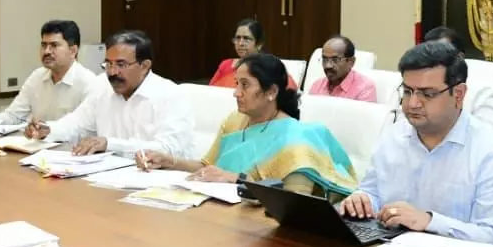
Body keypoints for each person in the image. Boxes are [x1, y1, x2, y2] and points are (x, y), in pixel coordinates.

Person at [340, 41, 493, 247]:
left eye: (427, 94)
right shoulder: (393, 135)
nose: (413, 104)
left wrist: (430, 222)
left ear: (458, 95)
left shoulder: (492, 152)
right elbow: (372, 192)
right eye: (408, 91)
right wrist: (361, 200)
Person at [138, 53, 357, 200]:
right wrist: (169, 161)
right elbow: (208, 167)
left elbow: (293, 203)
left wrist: (237, 179)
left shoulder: (296, 140)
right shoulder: (235, 120)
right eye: (237, 84)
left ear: (271, 92)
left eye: (245, 85)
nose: (236, 93)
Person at [25, 29, 194, 158]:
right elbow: (77, 124)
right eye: (108, 64)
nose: (112, 72)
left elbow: (169, 149)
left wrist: (109, 144)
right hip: (108, 175)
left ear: (144, 66)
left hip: (158, 179)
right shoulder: (102, 85)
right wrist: (48, 130)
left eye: (121, 65)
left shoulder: (170, 95)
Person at [0, 20, 97, 124]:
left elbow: (84, 128)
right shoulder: (37, 76)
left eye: (54, 45)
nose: (47, 51)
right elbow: (14, 116)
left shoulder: (89, 83)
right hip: (36, 144)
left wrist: (47, 130)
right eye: (44, 45)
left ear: (73, 51)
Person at [424, 25, 493, 129]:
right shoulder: (417, 88)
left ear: (459, 57)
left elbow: (489, 134)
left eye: (439, 55)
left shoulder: (483, 92)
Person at [209, 18, 298, 90]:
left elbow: (290, 92)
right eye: (237, 38)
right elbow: (209, 91)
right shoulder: (226, 65)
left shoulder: (270, 67)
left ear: (259, 44)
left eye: (246, 38)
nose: (240, 43)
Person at [309, 35, 377, 102]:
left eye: (335, 60)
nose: (328, 65)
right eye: (325, 59)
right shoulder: (317, 86)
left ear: (351, 62)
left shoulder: (364, 89)